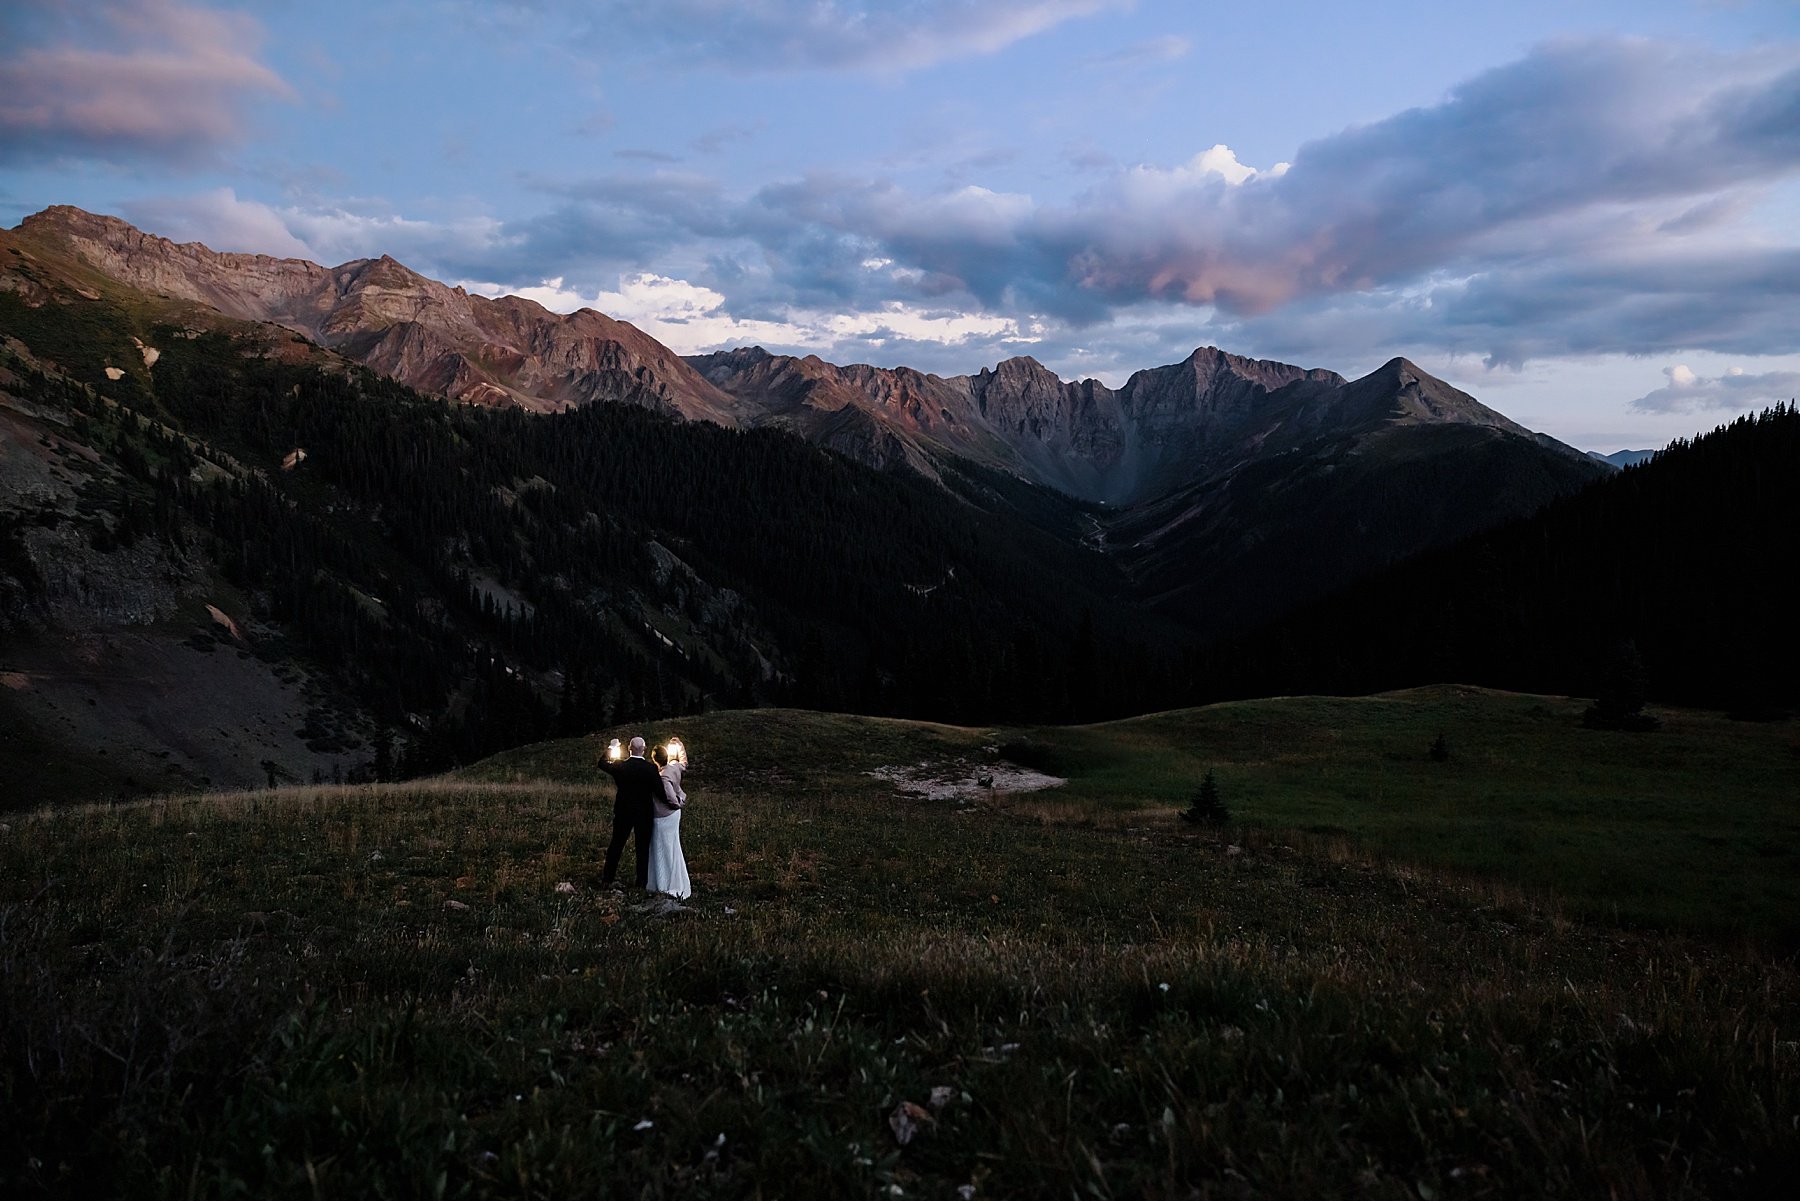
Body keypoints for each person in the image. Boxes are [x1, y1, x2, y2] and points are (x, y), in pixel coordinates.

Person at [597, 735, 660, 890]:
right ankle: (641, 883)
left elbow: (602, 763)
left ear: (629, 749)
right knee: (642, 848)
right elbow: (659, 790)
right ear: (644, 750)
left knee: (616, 845)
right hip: (644, 813)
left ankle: (607, 878)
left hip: (623, 811)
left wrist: (611, 748)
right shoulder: (651, 769)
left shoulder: (621, 766)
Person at [647, 744, 692, 900]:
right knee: (673, 846)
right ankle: (671, 878)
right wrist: (679, 745)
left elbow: (670, 798)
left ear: (654, 760)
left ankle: (664, 881)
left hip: (664, 815)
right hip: (674, 816)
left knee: (662, 847)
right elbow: (684, 762)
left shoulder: (663, 776)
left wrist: (678, 803)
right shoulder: (674, 767)